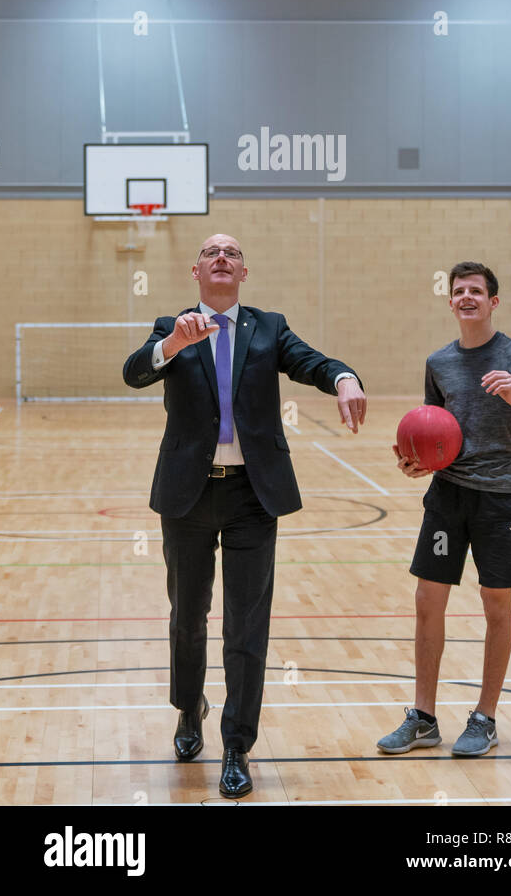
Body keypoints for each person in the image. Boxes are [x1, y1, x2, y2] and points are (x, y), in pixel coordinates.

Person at [123, 234, 366, 797]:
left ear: (244, 272)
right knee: (187, 615)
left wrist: (344, 377)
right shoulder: (174, 325)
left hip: (253, 496)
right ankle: (189, 709)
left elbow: (313, 362)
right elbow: (135, 372)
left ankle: (237, 743)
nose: (222, 257)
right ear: (196, 271)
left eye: (232, 252)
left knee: (246, 625)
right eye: (212, 252)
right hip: (187, 494)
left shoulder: (268, 327)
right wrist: (172, 346)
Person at [376, 260, 511, 759]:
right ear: (451, 300)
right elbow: (434, 432)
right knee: (427, 601)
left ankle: (485, 718)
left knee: (495, 604)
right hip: (447, 495)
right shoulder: (439, 362)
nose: (466, 297)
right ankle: (424, 718)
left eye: (476, 291)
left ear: (492, 302)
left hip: (499, 496)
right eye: (459, 291)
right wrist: (418, 463)